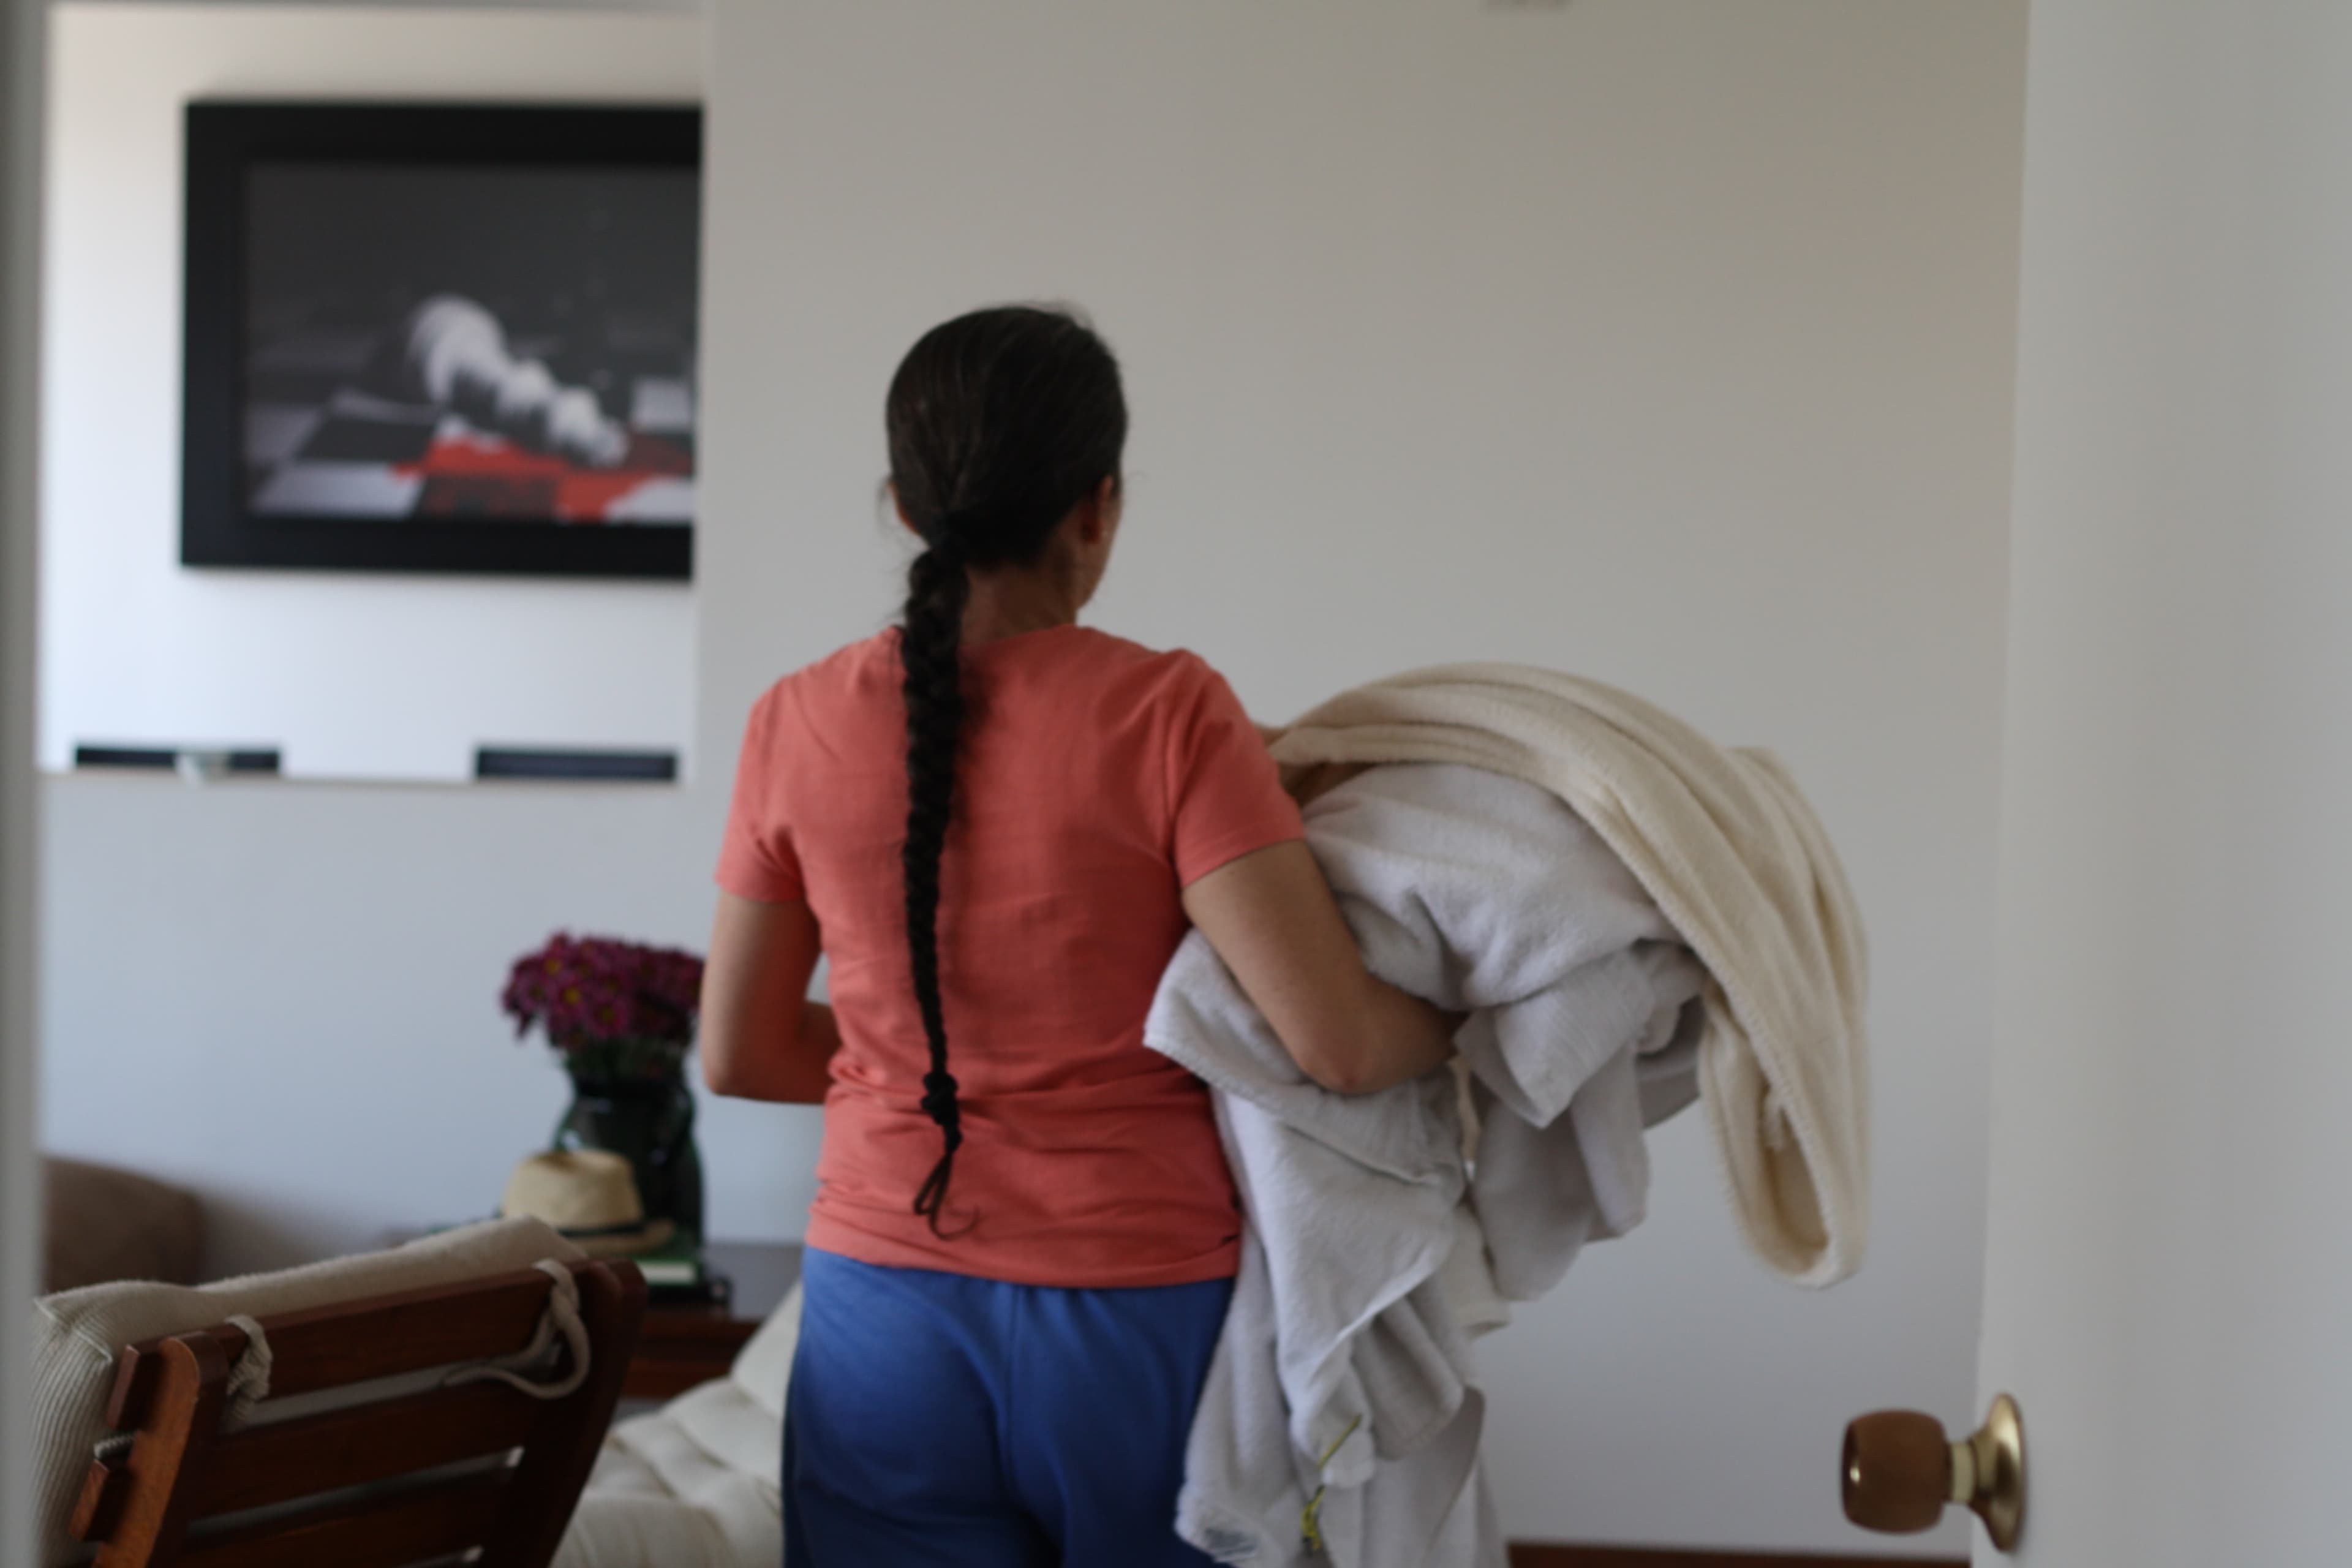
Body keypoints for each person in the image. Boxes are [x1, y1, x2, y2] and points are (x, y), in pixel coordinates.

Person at [700, 304, 1458, 1567]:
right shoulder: (1169, 713)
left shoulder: (793, 720)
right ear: (1096, 507)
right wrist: (1469, 1020)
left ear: (903, 506)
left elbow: (738, 1053)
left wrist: (908, 1053)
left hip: (880, 1303)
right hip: (1137, 1307)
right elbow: (1335, 1041)